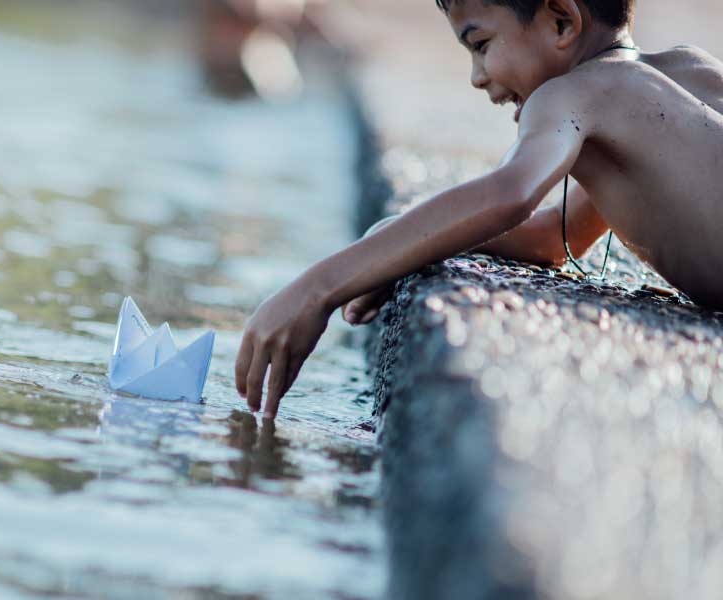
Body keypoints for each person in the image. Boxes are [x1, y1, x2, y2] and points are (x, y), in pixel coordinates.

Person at [235, 0, 723, 418]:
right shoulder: (687, 71)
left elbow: (509, 194)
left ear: (561, 21)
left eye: (481, 45)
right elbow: (552, 238)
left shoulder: (572, 93)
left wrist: (317, 287)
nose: (475, 77)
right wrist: (398, 242)